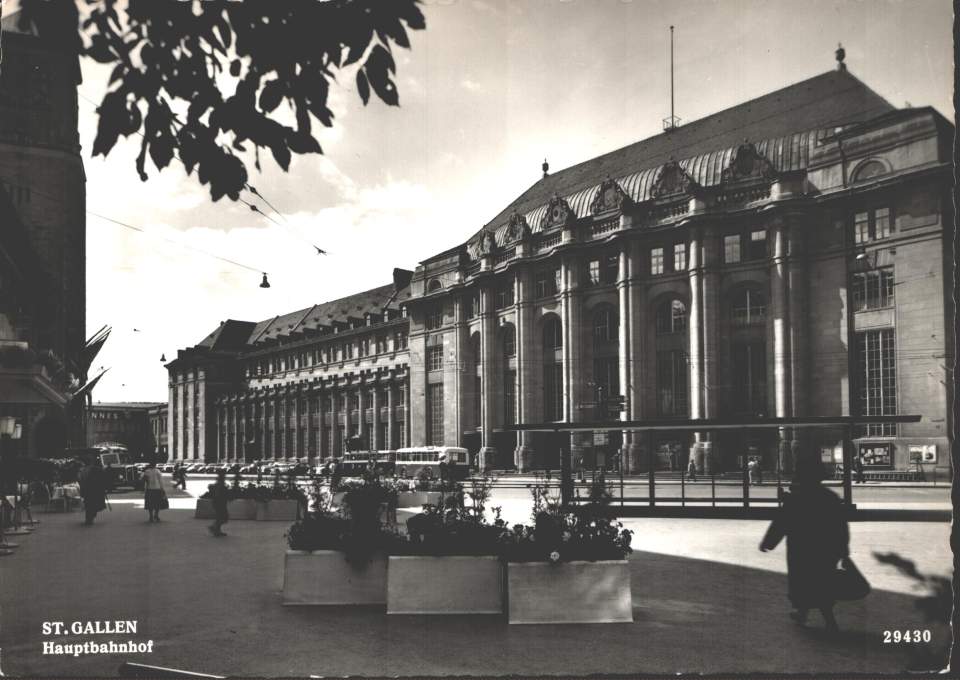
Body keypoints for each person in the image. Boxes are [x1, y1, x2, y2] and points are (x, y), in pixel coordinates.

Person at [759, 454, 849, 634]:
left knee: (802, 582)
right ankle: (812, 616)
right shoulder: (829, 497)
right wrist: (843, 550)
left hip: (800, 550)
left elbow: (781, 522)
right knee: (821, 582)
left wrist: (769, 542)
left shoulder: (796, 498)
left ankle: (812, 615)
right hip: (825, 550)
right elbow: (840, 526)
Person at [78, 459, 107, 525]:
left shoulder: (83, 470)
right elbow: (102, 479)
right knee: (93, 504)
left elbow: (81, 480)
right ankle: (90, 517)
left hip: (87, 490)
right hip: (94, 490)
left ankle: (89, 518)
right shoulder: (97, 469)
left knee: (88, 504)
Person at [208, 470, 229, 537]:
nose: (225, 475)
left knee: (220, 516)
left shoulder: (220, 481)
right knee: (223, 516)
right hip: (219, 502)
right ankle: (214, 528)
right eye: (224, 474)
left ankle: (217, 530)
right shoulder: (220, 482)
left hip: (218, 501)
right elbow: (219, 492)